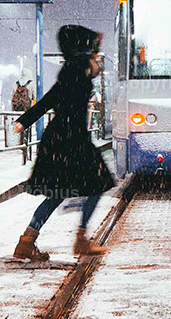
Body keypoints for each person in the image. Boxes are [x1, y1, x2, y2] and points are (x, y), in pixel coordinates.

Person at [12, 25, 115, 260]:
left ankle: (26, 242)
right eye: (95, 51)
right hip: (73, 140)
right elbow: (53, 99)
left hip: (58, 140)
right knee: (99, 184)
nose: (97, 57)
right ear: (84, 51)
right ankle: (81, 240)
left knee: (57, 193)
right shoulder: (78, 69)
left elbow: (49, 100)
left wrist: (24, 121)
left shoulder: (70, 70)